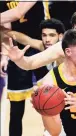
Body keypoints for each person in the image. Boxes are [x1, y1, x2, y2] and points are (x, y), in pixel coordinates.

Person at [0, 1, 50, 136]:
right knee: (16, 110)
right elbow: (5, 30)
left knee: (50, 103)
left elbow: (18, 12)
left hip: (44, 47)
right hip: (18, 50)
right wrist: (4, 56)